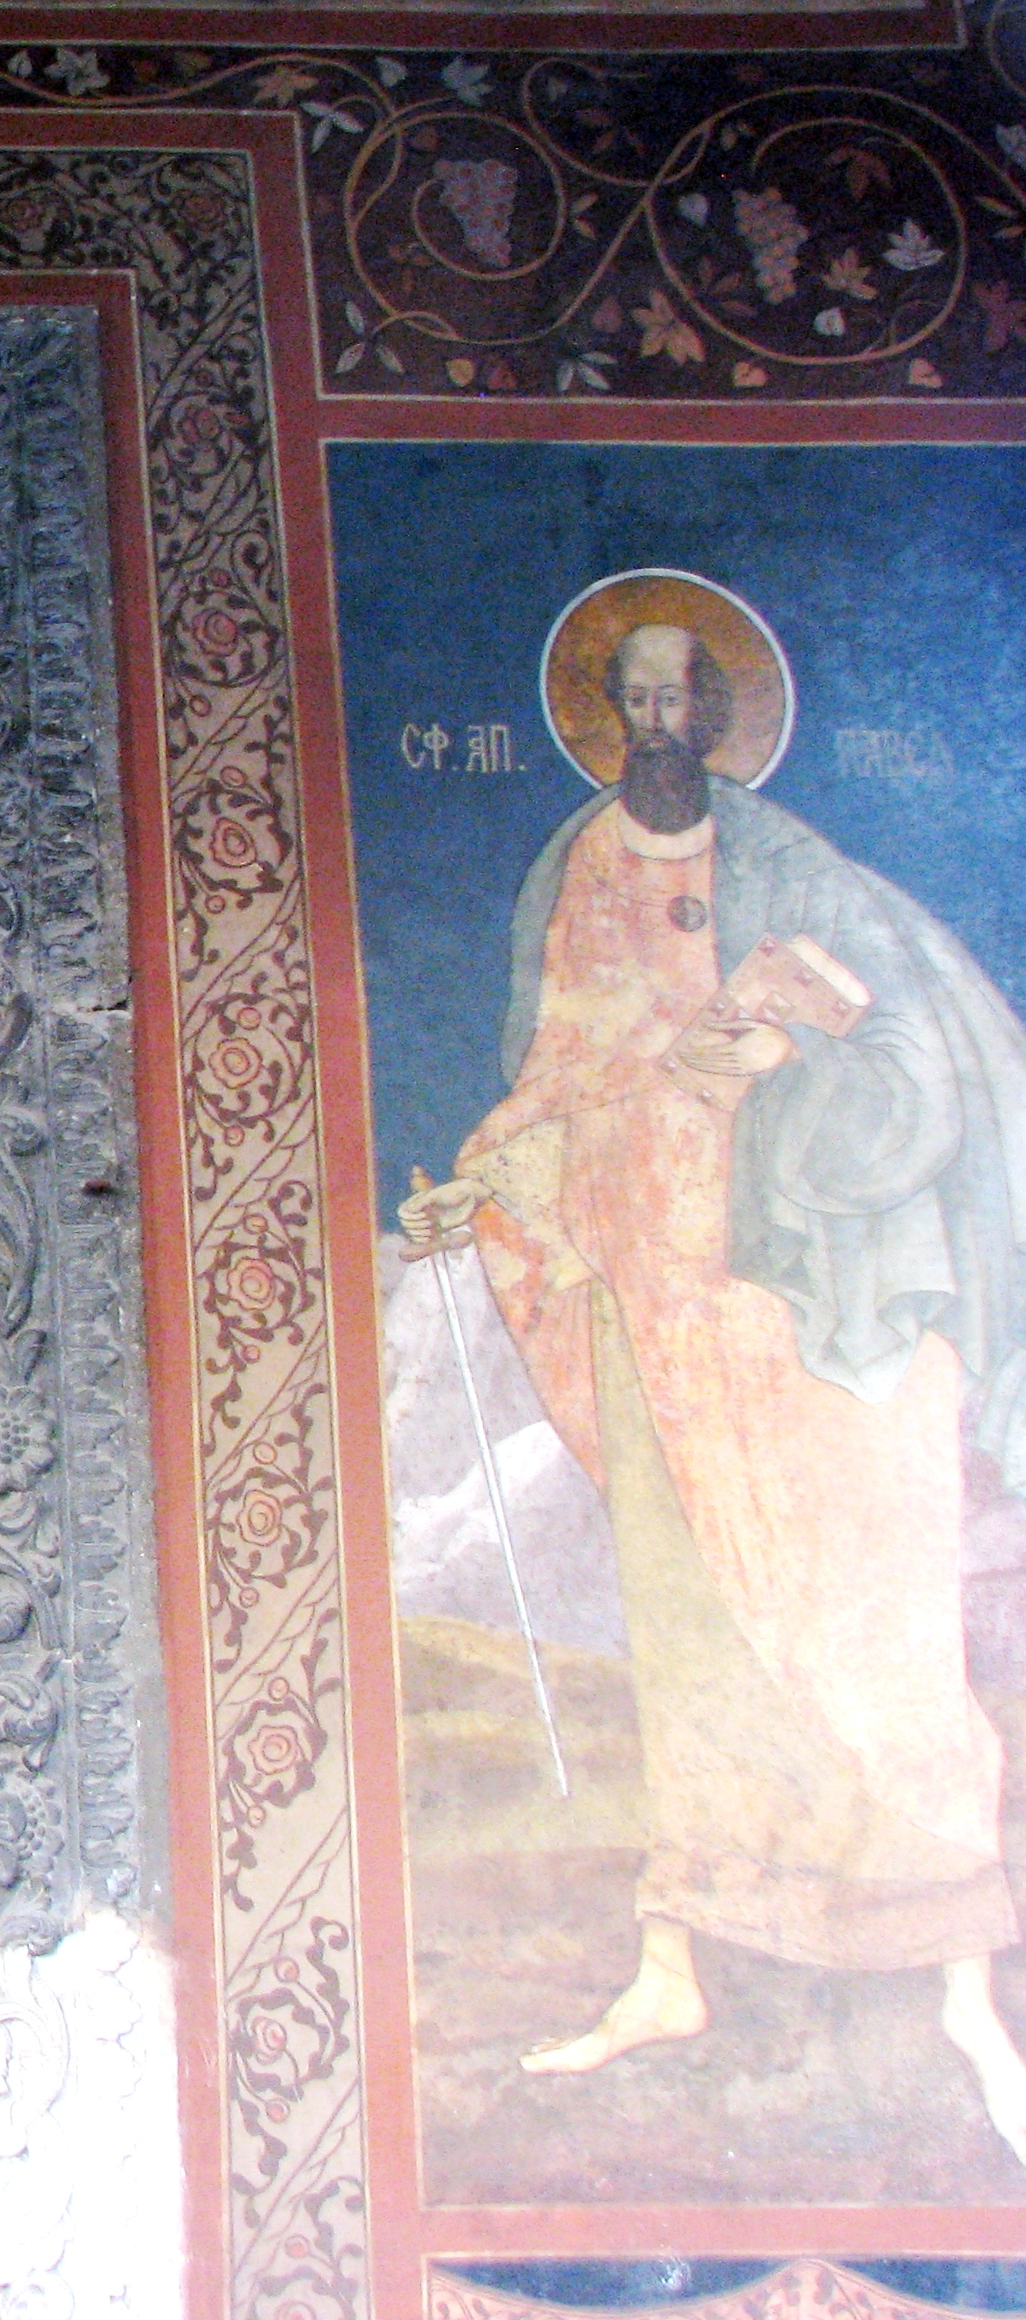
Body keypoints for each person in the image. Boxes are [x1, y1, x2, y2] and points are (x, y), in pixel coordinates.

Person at [403, 618, 1026, 2154]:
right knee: (687, 1635)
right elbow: (564, 1080)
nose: (651, 723)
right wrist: (489, 1181)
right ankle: (671, 1960)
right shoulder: (577, 872)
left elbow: (915, 1069)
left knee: (870, 1630)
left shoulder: (796, 874)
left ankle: (962, 1984)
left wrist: (771, 1071)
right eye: (627, 698)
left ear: (718, 711)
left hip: (807, 1314)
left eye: (674, 697)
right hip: (656, 1307)